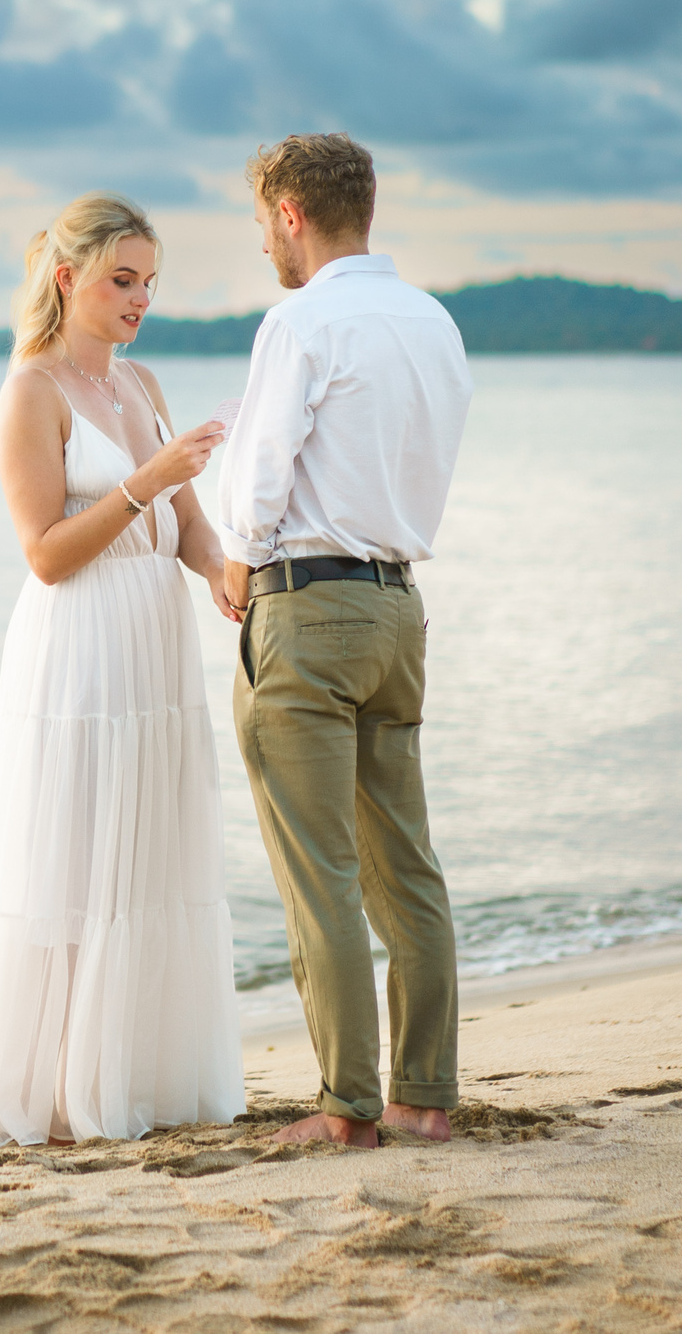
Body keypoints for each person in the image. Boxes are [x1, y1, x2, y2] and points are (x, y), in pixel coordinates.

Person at [0, 193, 247, 1147]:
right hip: (78, 649)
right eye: (124, 280)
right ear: (68, 277)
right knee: (74, 856)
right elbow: (44, 550)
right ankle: (65, 1091)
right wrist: (142, 483)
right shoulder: (31, 390)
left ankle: (141, 1075)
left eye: (150, 283)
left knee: (149, 852)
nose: (139, 299)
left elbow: (188, 524)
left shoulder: (145, 384)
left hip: (155, 648)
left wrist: (220, 570)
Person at [213, 133, 473, 1150]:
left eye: (261, 225)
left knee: (315, 867)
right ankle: (422, 1094)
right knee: (402, 863)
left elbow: (264, 464)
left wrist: (237, 557)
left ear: (288, 213)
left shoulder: (302, 317)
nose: (264, 247)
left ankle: (345, 1108)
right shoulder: (432, 323)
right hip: (398, 608)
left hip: (308, 608)